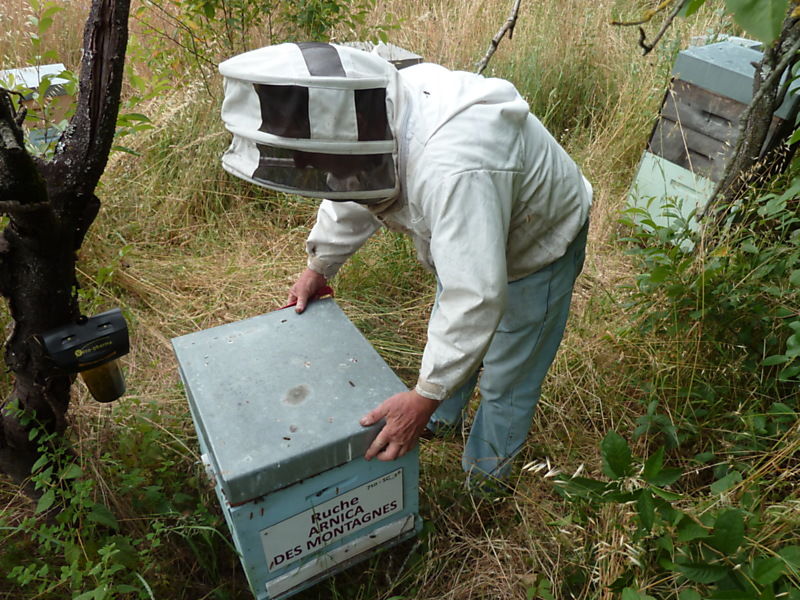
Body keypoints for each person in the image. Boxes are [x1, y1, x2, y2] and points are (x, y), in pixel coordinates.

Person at [218, 41, 592, 488]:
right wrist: (319, 265)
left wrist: (422, 395)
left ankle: (484, 485)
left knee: (507, 380)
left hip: (538, 243)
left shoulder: (453, 168)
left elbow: (475, 295)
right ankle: (441, 417)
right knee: (452, 330)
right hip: (471, 227)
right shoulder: (368, 123)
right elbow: (349, 185)